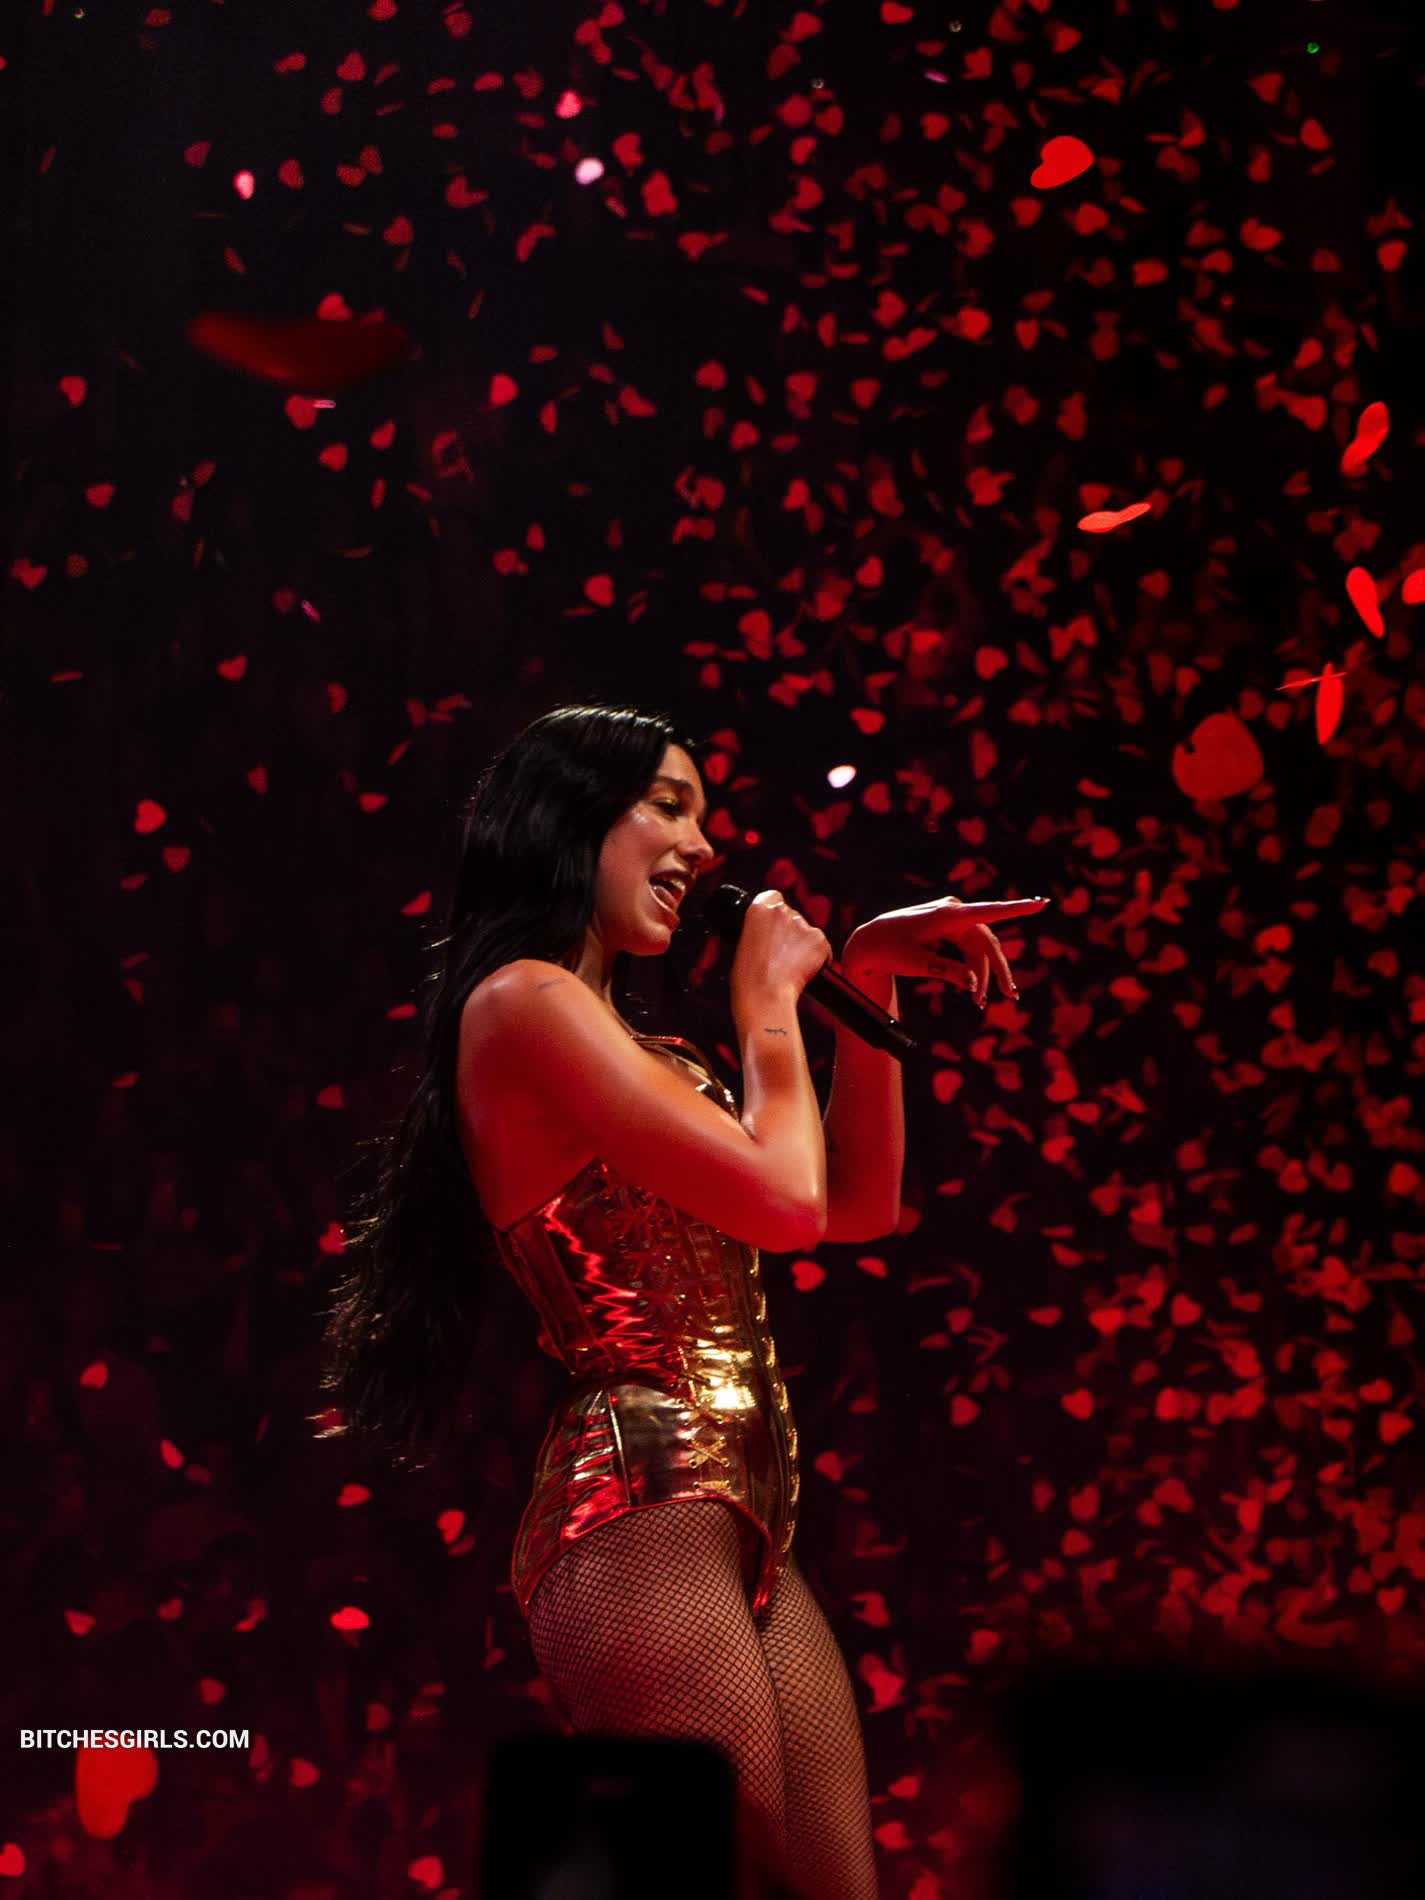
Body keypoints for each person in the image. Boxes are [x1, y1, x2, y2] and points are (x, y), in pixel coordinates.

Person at [315, 702, 1046, 1900]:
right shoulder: (521, 1003)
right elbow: (787, 1204)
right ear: (569, 820)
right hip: (637, 1504)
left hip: (745, 1512)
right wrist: (767, 1003)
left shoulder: (640, 1046)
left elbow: (856, 1200)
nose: (705, 847)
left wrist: (862, 975)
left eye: (704, 816)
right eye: (668, 805)